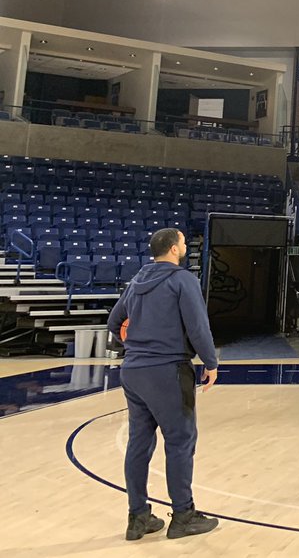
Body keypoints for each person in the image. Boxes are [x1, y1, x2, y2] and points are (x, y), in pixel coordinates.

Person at [106, 228, 220, 540]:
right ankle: (183, 515)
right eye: (183, 242)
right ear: (173, 249)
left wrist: (136, 345)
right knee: (180, 441)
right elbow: (198, 326)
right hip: (167, 370)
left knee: (138, 443)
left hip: (133, 370)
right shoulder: (183, 280)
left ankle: (138, 516)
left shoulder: (138, 281)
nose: (185, 245)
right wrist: (211, 362)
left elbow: (114, 322)